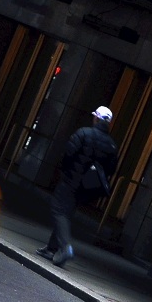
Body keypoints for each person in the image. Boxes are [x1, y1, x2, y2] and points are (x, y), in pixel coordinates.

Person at [36, 105, 118, 267]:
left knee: (58, 210)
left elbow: (68, 154)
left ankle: (65, 247)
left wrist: (65, 172)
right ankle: (51, 248)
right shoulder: (111, 145)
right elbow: (111, 169)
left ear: (96, 119)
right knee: (66, 213)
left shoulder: (83, 133)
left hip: (71, 181)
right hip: (88, 188)